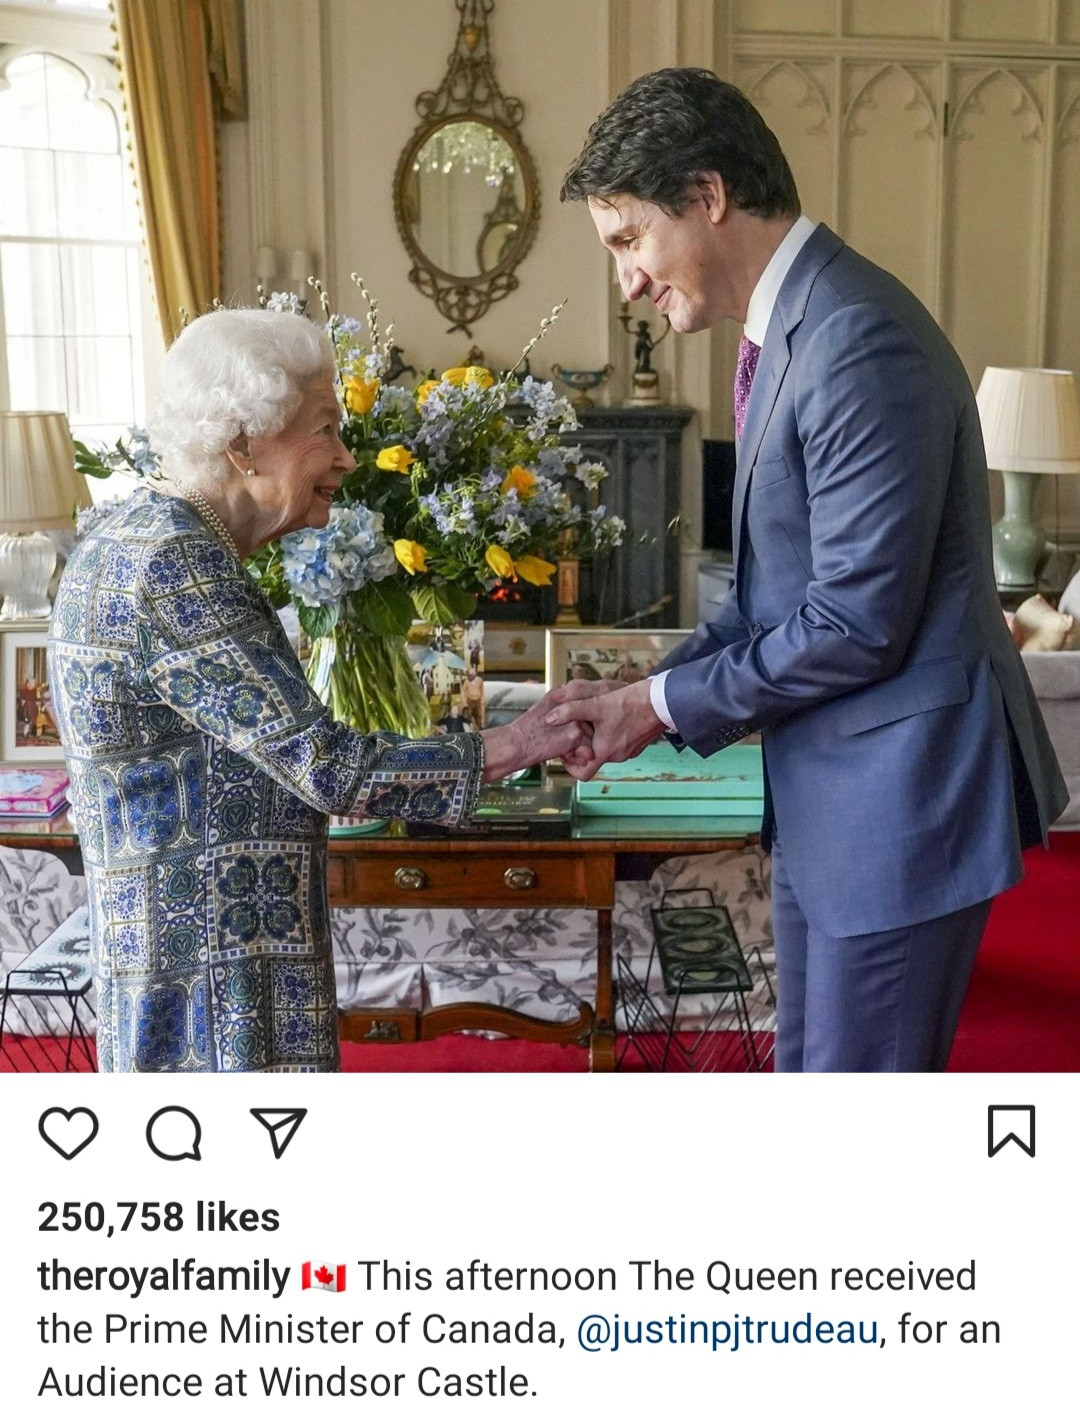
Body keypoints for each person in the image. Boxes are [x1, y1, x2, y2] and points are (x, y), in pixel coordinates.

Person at [551, 67, 1067, 1072]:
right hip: (842, 796)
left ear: (707, 197)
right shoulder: (794, 329)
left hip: (898, 807)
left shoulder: (855, 338)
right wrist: (635, 686)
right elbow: (767, 600)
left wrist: (656, 707)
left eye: (628, 241)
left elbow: (853, 625)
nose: (628, 283)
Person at [47, 307, 589, 1073]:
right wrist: (515, 743)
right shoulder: (176, 567)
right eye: (325, 429)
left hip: (174, 960)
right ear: (241, 443)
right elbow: (329, 767)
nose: (345, 457)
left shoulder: (131, 533)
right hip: (218, 986)